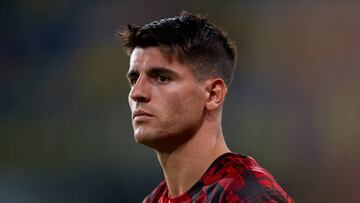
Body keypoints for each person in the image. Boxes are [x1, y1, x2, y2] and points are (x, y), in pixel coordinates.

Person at [119, 12, 294, 203]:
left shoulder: (248, 195)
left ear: (213, 94)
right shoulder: (153, 200)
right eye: (134, 79)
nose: (137, 93)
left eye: (162, 78)